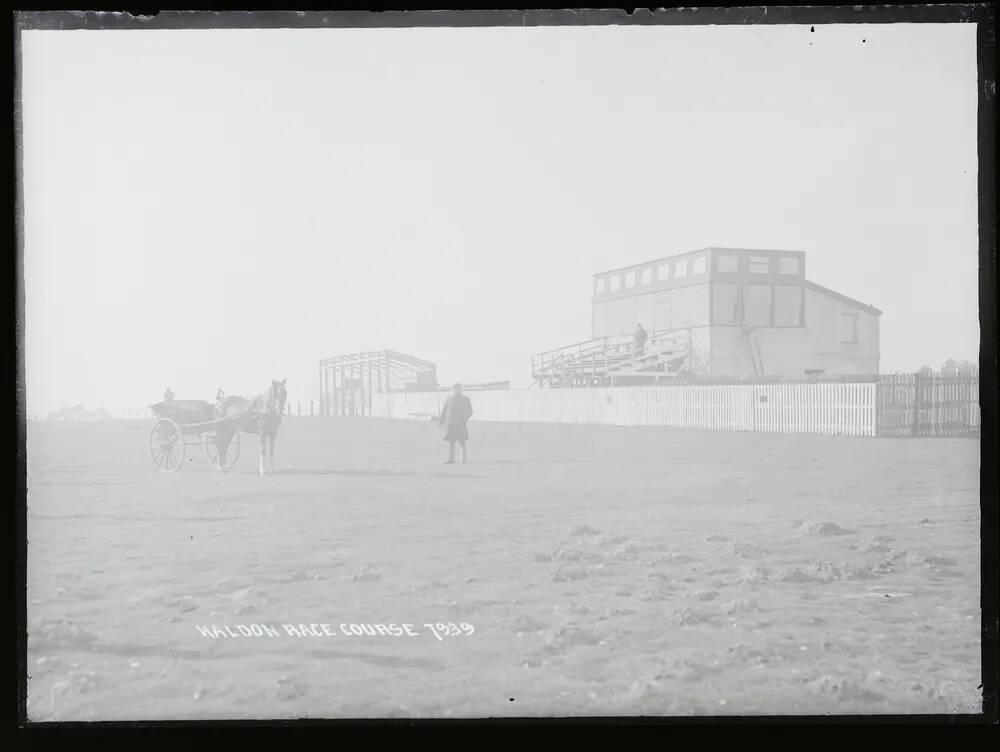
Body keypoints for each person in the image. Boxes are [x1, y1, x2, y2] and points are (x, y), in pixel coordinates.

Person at [438, 383, 473, 464]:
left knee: (462, 442)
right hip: (451, 425)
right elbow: (444, 411)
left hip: (461, 425)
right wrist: (441, 421)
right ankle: (451, 459)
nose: (456, 390)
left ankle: (463, 460)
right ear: (452, 390)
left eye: (457, 388)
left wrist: (464, 419)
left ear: (460, 389)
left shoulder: (465, 399)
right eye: (454, 389)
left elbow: (470, 411)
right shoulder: (449, 399)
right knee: (451, 442)